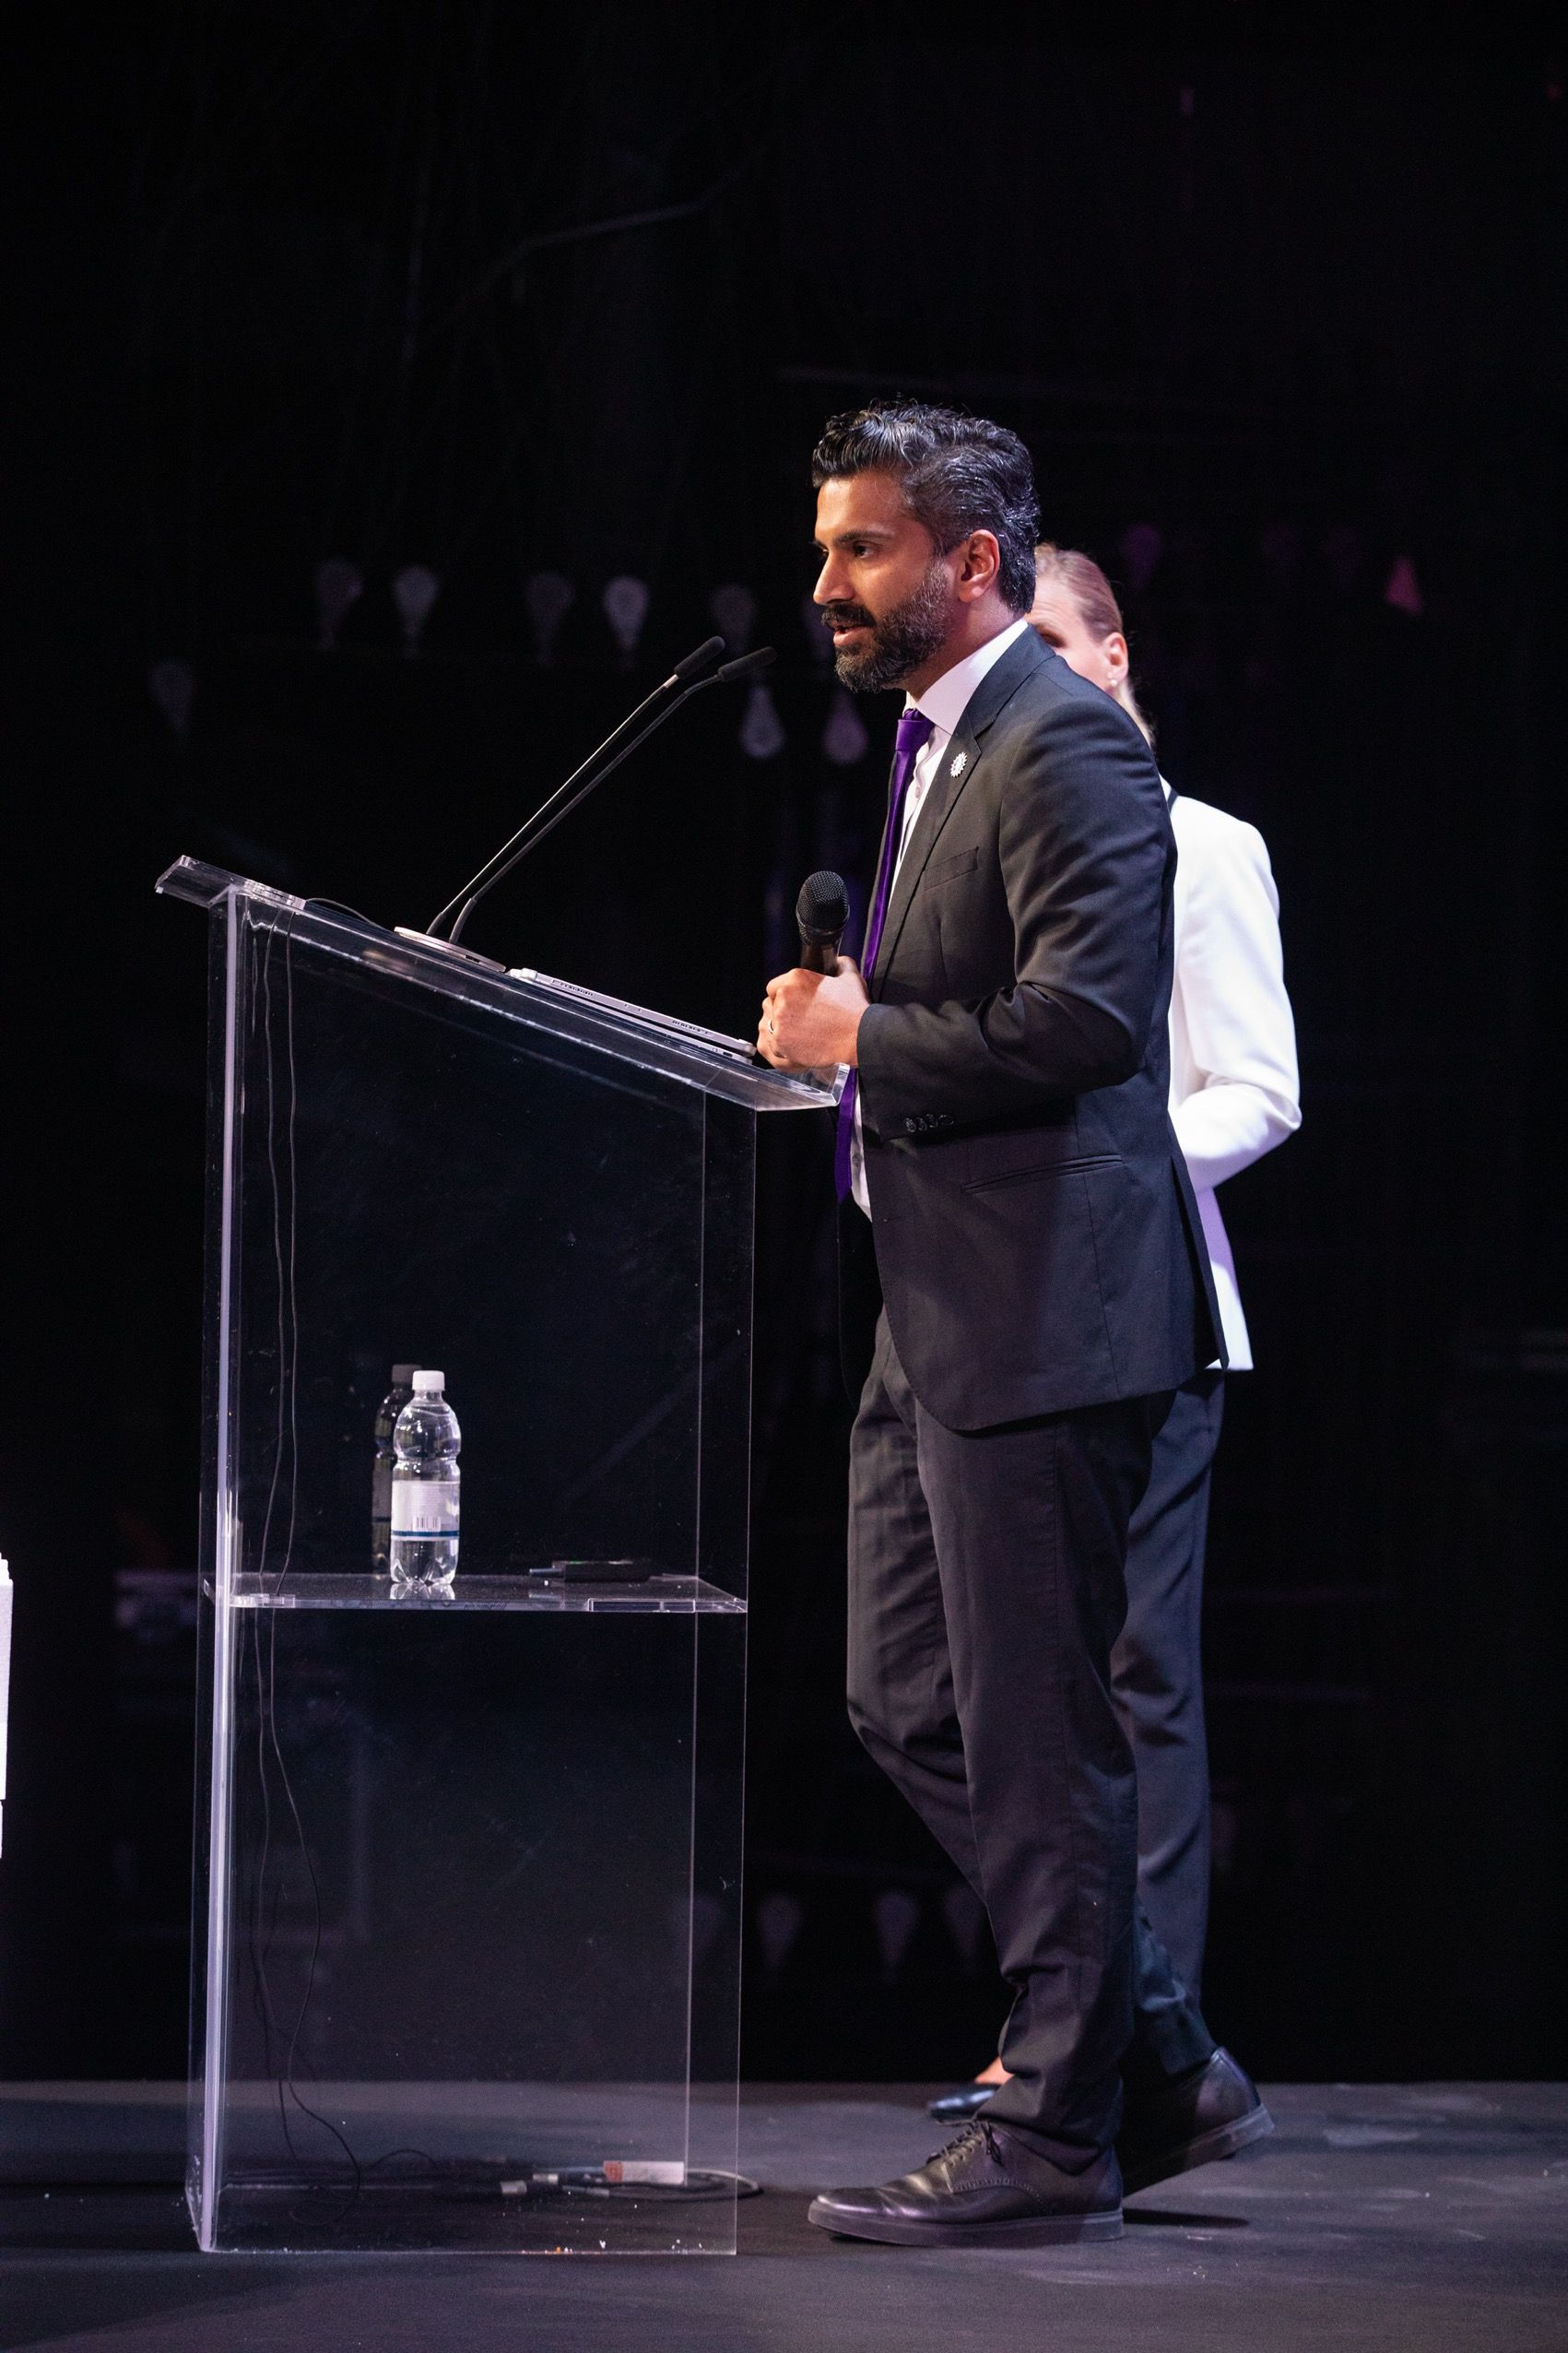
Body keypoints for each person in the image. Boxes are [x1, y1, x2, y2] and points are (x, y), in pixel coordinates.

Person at [757, 405, 1269, 2249]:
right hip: (945, 1309)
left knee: (1044, 1734)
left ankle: (1056, 2129)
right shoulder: (934, 749)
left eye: (861, 548)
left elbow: (1084, 1030)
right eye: (824, 547)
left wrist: (854, 1042)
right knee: (905, 1694)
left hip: (1051, 1316)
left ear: (968, 562)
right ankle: (1145, 2047)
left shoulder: (1061, 747)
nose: (824, 583)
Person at [929, 544, 1301, 2129]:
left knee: (1134, 1680)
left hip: (1144, 1305)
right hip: (986, 1307)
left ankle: (1130, 2050)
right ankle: (1124, 2019)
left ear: (1112, 655)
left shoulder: (1200, 845)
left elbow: (1256, 1091)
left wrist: (1082, 1176)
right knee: (977, 1689)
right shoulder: (985, 827)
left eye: (1052, 649)